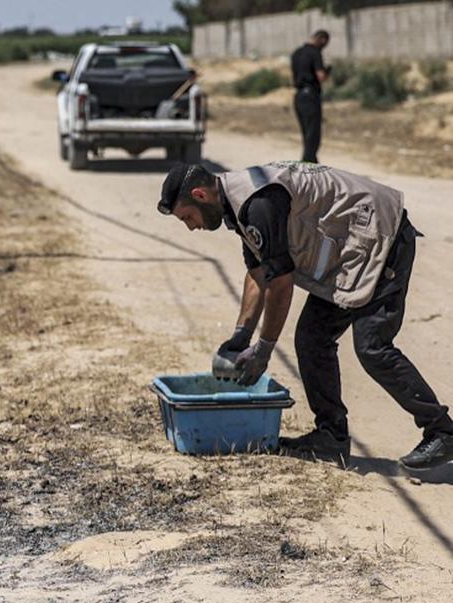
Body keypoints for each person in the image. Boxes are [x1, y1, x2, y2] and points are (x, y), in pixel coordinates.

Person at [157, 161, 453, 471]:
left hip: (382, 236)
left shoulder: (258, 203)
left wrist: (263, 350)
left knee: (372, 346)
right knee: (312, 338)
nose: (191, 226)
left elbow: (281, 284)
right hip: (352, 252)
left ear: (200, 194)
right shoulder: (237, 206)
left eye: (187, 217)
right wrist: (240, 337)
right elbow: (258, 272)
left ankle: (442, 430)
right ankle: (331, 438)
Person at [291, 30, 331, 163]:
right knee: (313, 135)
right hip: (310, 96)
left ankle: (311, 163)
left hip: (298, 97)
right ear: (322, 39)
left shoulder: (296, 53)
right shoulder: (315, 53)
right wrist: (328, 71)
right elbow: (321, 76)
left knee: (306, 134)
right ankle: (308, 167)